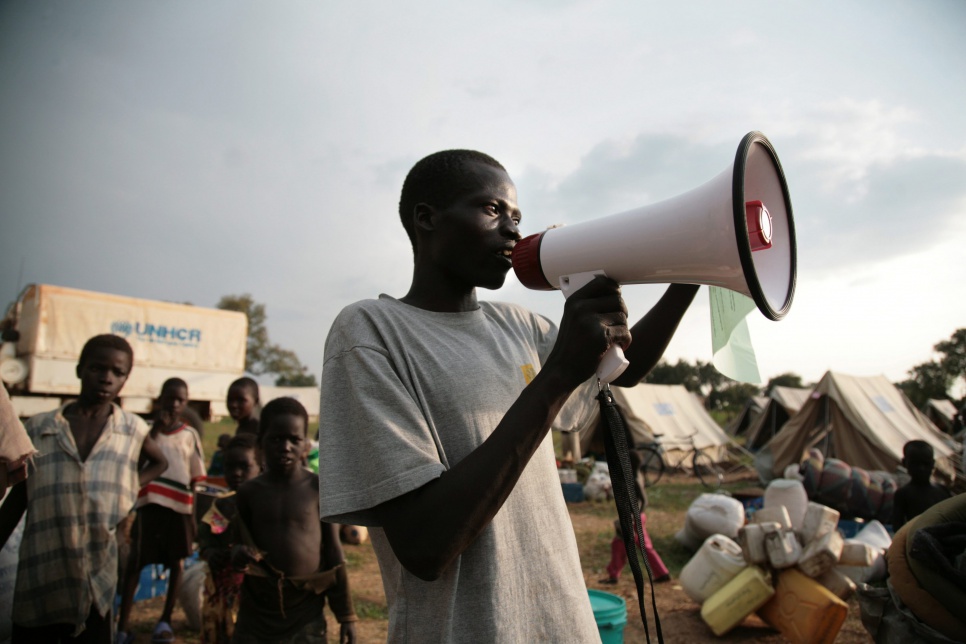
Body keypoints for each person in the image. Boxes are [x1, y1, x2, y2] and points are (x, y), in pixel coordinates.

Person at [317, 149, 699, 640]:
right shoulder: (370, 331)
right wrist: (559, 372)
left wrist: (694, 268)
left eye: (518, 216)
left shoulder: (518, 325)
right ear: (426, 218)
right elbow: (426, 546)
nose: (514, 230)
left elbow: (622, 372)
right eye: (493, 209)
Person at [0, 334, 168, 643]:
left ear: (126, 379)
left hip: (96, 582)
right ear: (79, 370)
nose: (107, 379)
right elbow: (18, 499)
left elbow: (160, 463)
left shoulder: (131, 429)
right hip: (42, 576)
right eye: (97, 368)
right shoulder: (39, 427)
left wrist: (128, 486)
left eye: (118, 373)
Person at [231, 397, 357, 644]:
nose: (285, 446)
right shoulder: (248, 493)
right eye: (276, 439)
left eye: (294, 439)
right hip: (257, 612)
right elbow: (237, 543)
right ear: (260, 443)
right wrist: (238, 554)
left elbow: (333, 551)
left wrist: (347, 616)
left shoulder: (318, 490)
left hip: (305, 611)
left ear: (306, 446)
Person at [117, 378, 207, 644]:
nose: (175, 404)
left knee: (177, 563)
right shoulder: (146, 431)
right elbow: (140, 462)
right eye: (170, 398)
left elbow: (195, 477)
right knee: (136, 563)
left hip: (179, 509)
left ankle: (164, 620)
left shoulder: (189, 435)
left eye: (181, 400)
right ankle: (122, 625)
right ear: (160, 399)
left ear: (186, 403)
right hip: (150, 506)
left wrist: (193, 516)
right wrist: (156, 427)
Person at [197, 433, 260, 644]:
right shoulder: (221, 507)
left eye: (244, 467)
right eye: (230, 467)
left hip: (255, 595)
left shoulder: (265, 508)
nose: (236, 474)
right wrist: (210, 552)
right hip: (221, 596)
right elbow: (206, 538)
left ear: (260, 466)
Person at [890, 440, 952, 530]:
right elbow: (898, 527)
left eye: (926, 464)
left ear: (933, 464)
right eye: (915, 464)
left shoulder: (943, 491)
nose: (921, 468)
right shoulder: (903, 494)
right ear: (904, 463)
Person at [600, 515, 670, 584]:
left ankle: (614, 575)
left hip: (631, 516)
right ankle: (662, 573)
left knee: (619, 545)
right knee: (645, 546)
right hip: (638, 515)